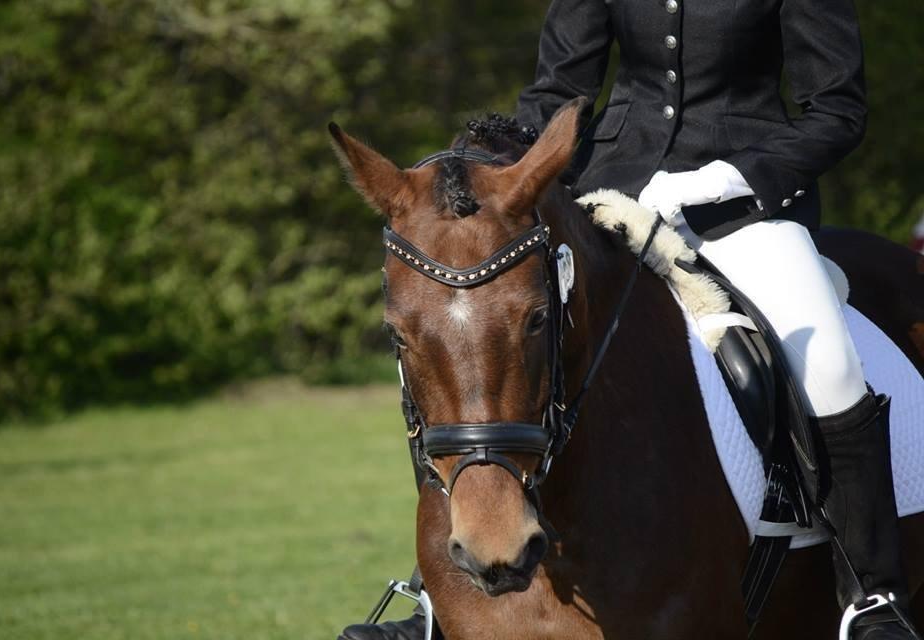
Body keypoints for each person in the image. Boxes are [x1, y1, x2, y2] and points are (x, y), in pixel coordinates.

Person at [340, 1, 919, 638]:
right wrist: (490, 174)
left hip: (745, 206)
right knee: (485, 334)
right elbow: (559, 90)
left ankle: (872, 595)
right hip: (612, 191)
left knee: (829, 361)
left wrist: (726, 178)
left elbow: (837, 109)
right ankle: (434, 598)